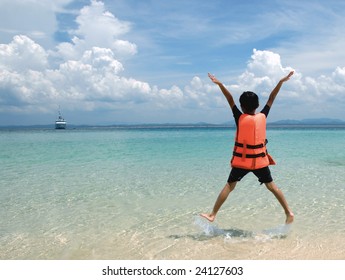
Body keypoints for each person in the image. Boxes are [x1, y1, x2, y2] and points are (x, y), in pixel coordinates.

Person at [201, 71, 295, 224]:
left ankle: (213, 214)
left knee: (229, 186)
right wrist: (281, 82)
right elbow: (272, 98)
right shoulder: (263, 115)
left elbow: (229, 98)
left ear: (241, 106)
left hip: (242, 162)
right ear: (257, 105)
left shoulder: (239, 117)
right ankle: (288, 212)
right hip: (259, 161)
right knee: (272, 187)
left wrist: (220, 84)